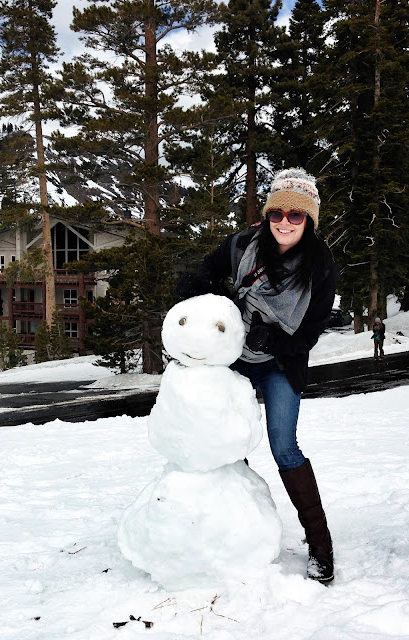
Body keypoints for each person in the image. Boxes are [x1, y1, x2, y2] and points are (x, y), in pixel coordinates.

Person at [175, 168, 339, 584]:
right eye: (277, 212)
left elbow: (310, 332)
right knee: (231, 445)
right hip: (236, 358)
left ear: (310, 220)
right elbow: (208, 272)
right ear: (267, 215)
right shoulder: (243, 244)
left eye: (296, 215)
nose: (285, 221)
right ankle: (241, 534)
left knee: (284, 447)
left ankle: (320, 546)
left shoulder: (321, 267)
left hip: (281, 363)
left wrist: (275, 341)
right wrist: (196, 290)